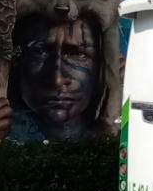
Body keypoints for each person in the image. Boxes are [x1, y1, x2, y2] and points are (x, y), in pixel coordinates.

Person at [6, 13, 107, 142]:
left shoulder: (129, 138)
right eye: (39, 52)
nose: (57, 80)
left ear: (101, 67)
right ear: (16, 63)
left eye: (78, 54)